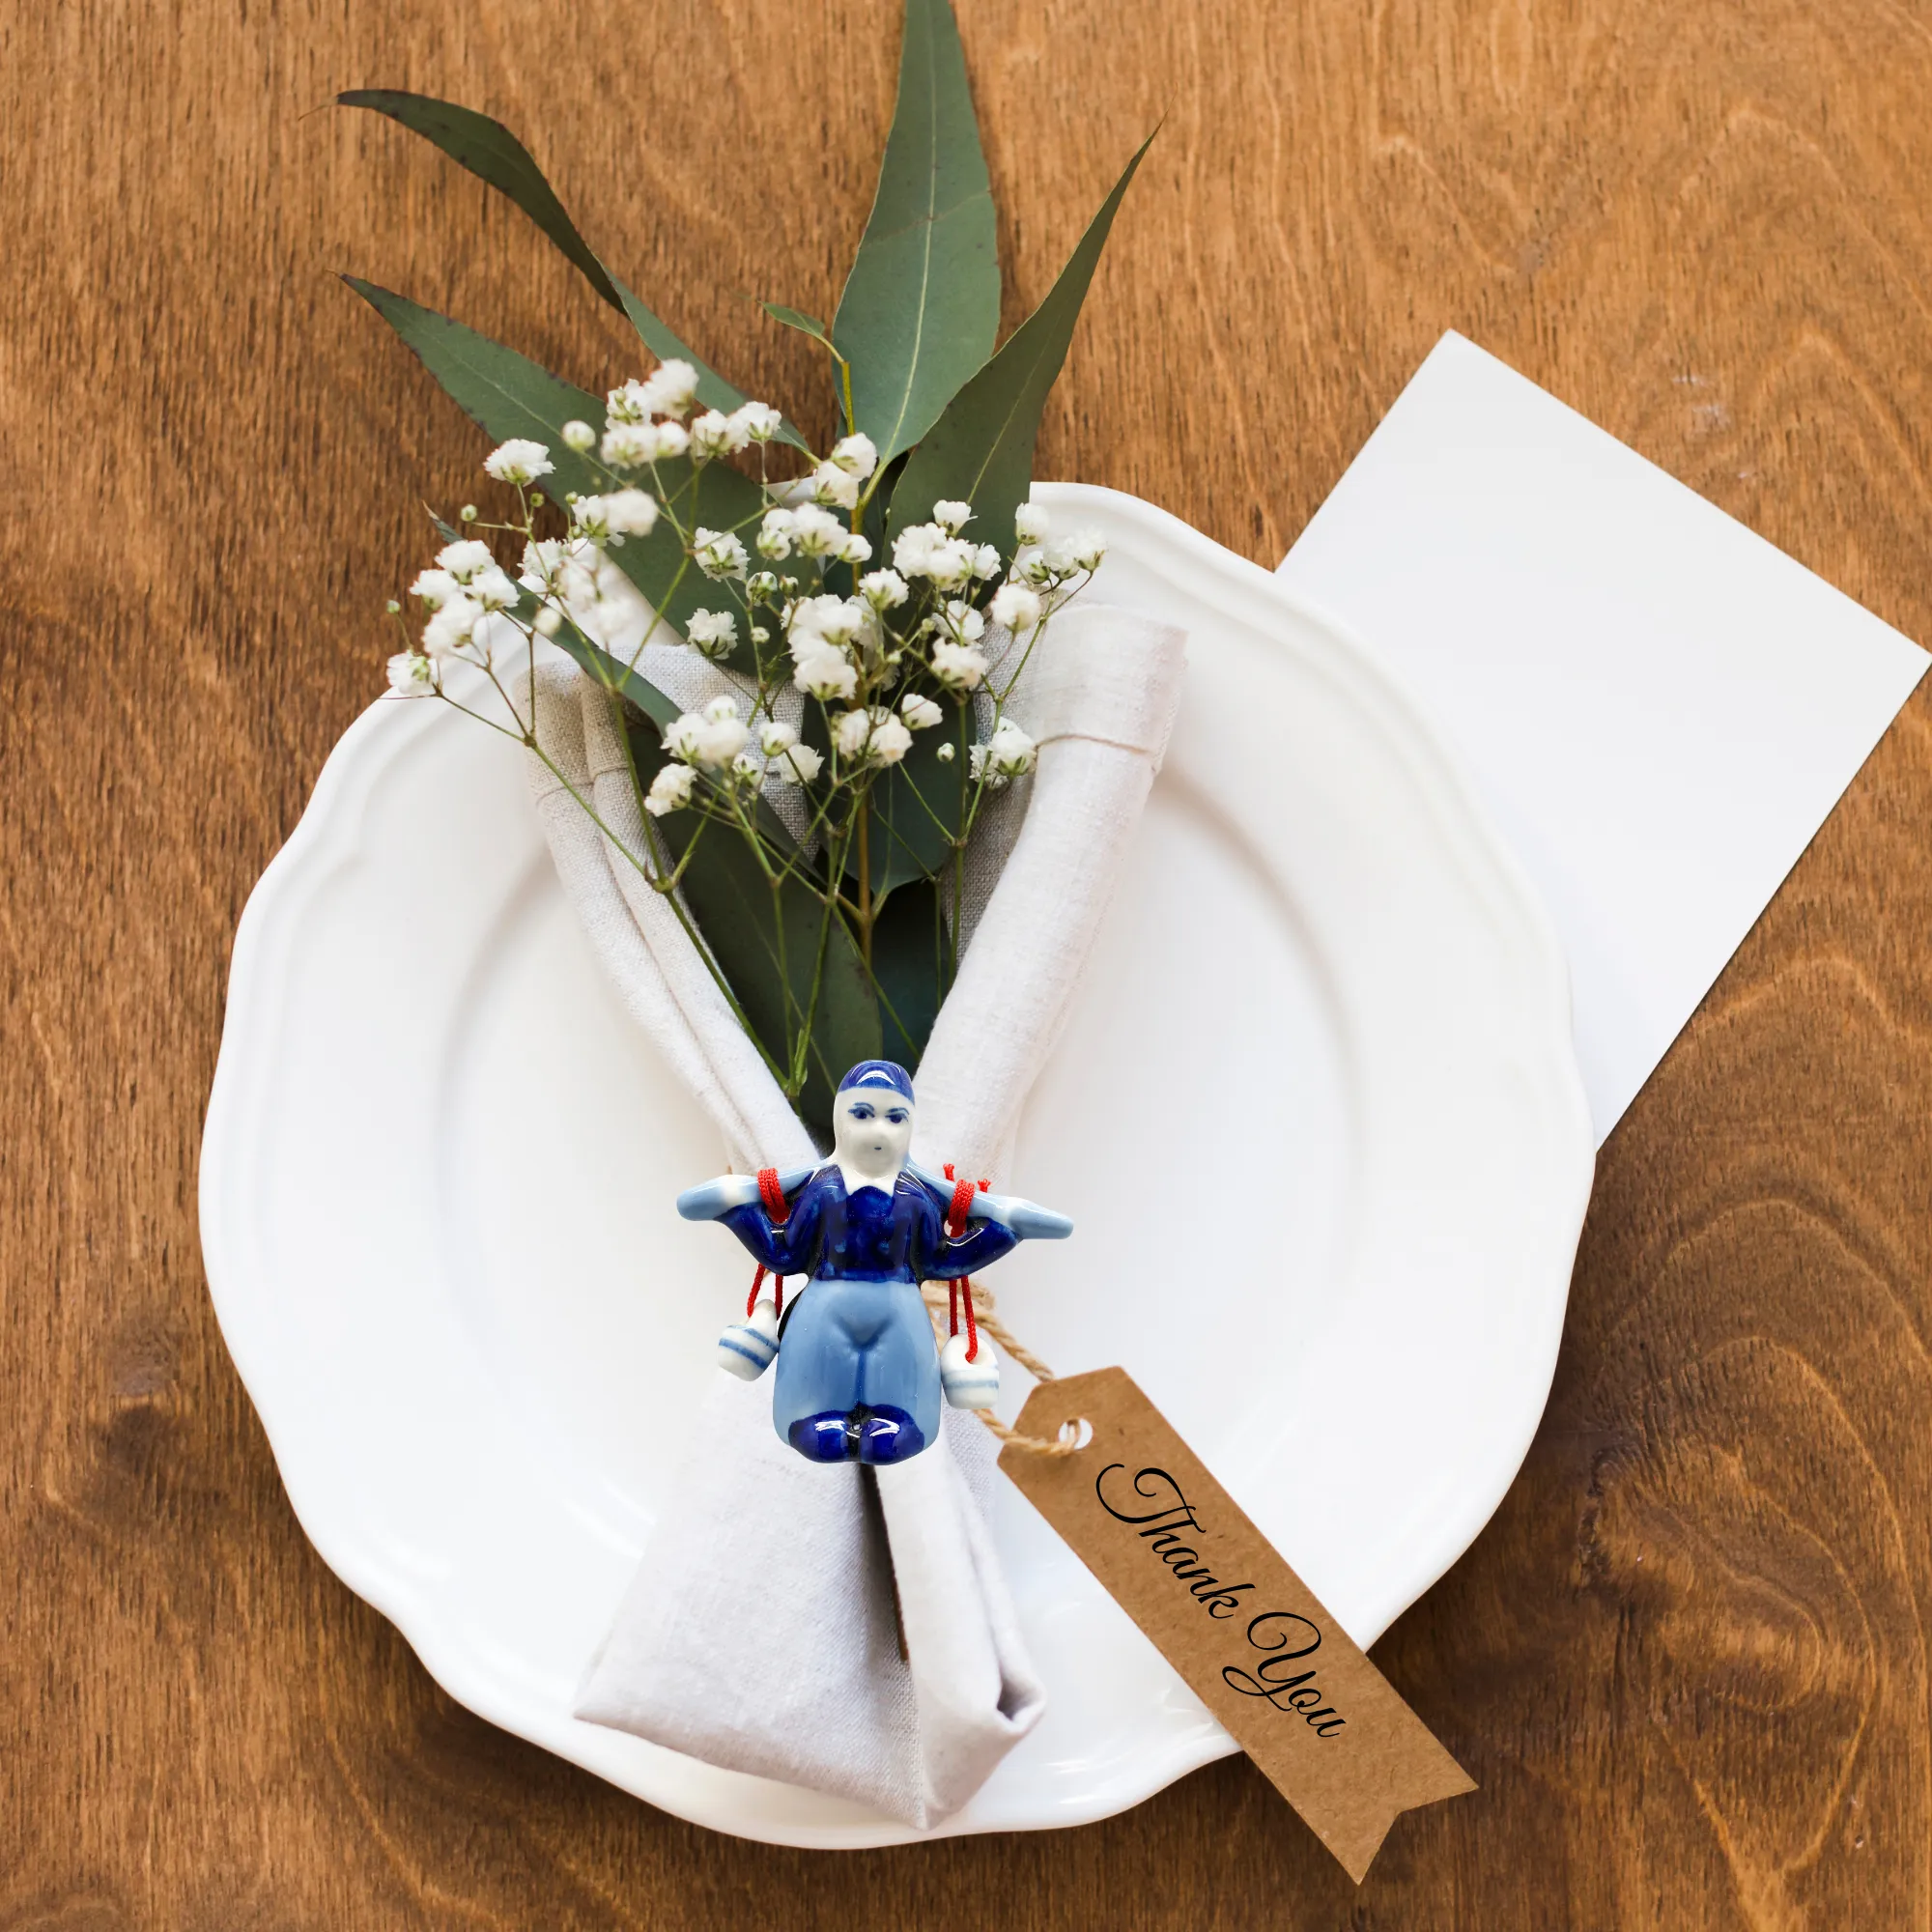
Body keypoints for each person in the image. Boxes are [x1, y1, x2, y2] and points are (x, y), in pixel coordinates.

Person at [676, 1061, 1072, 1464]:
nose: (879, 1129)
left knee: (898, 1384)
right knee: (818, 1373)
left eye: (894, 1117)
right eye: (862, 1114)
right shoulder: (822, 1191)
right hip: (826, 1305)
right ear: (839, 1119)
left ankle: (897, 1423)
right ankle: (813, 1420)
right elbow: (785, 1254)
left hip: (898, 1310)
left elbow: (944, 1258)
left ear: (909, 1126)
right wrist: (740, 1212)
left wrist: (1004, 1232)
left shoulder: (917, 1198)